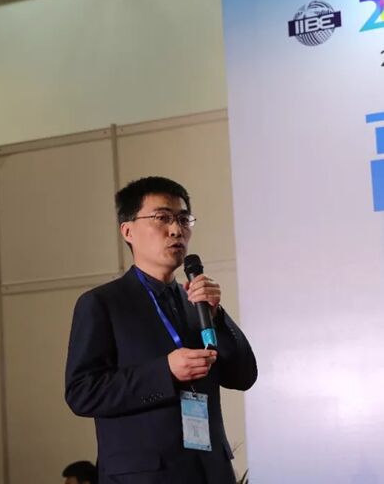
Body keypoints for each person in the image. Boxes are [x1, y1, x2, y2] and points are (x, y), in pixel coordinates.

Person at [65, 176, 257, 484]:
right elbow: (82, 393)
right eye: (162, 218)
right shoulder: (102, 303)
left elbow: (243, 376)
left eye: (183, 219)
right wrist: (164, 372)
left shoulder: (196, 301)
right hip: (144, 475)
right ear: (128, 231)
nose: (176, 229)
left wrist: (217, 315)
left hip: (210, 472)